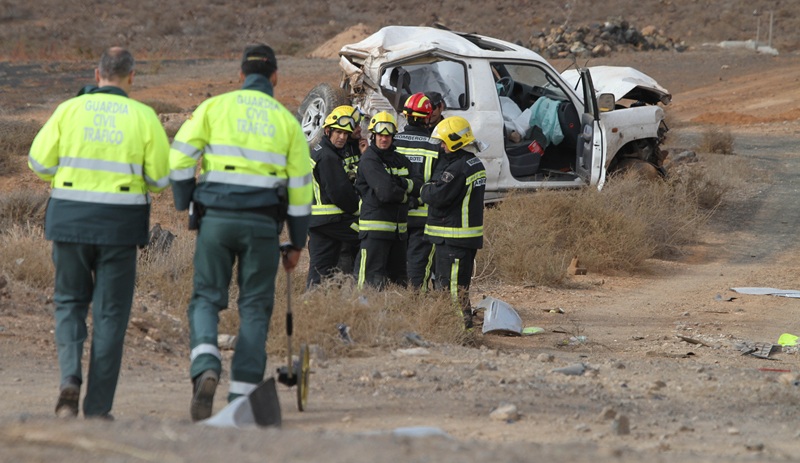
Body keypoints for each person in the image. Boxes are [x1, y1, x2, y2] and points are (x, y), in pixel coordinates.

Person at [169, 44, 312, 421]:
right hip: (263, 226)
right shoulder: (286, 121)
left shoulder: (214, 108)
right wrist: (296, 242)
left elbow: (180, 156)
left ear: (240, 75)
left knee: (205, 298)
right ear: (276, 77)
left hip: (215, 219)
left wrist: (185, 201)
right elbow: (300, 189)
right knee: (255, 308)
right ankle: (241, 398)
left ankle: (205, 365)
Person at [28, 47, 171, 419]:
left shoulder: (68, 110)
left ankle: (69, 380)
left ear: (97, 74)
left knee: (70, 304)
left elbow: (39, 162)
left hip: (69, 221)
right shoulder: (143, 116)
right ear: (132, 77)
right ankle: (97, 408)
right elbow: (158, 178)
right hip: (120, 228)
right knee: (110, 315)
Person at [420, 116, 486, 329]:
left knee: (454, 289)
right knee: (458, 287)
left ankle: (459, 331)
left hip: (454, 238)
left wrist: (425, 188)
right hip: (462, 238)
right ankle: (456, 326)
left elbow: (436, 196)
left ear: (455, 141)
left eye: (444, 142)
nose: (440, 146)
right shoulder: (473, 162)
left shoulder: (458, 169)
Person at [354, 111, 421, 289]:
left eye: (387, 136)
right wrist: (407, 197)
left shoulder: (400, 160)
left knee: (398, 283)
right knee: (369, 283)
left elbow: (419, 185)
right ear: (373, 135)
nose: (384, 139)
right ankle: (360, 315)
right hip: (375, 232)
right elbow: (385, 193)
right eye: (380, 135)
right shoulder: (369, 160)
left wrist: (400, 184)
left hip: (398, 233)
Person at [306, 105, 361, 288]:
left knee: (319, 269)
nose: (342, 137)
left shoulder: (321, 149)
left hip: (316, 222)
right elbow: (340, 194)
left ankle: (311, 304)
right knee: (370, 235)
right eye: (338, 133)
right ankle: (363, 290)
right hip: (330, 219)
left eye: (345, 134)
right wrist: (360, 207)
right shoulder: (328, 157)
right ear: (328, 130)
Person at [394, 93, 440, 290]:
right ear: (428, 117)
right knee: (418, 267)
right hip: (424, 217)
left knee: (396, 266)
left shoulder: (392, 141)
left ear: (405, 115)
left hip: (396, 215)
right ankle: (415, 303)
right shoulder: (435, 145)